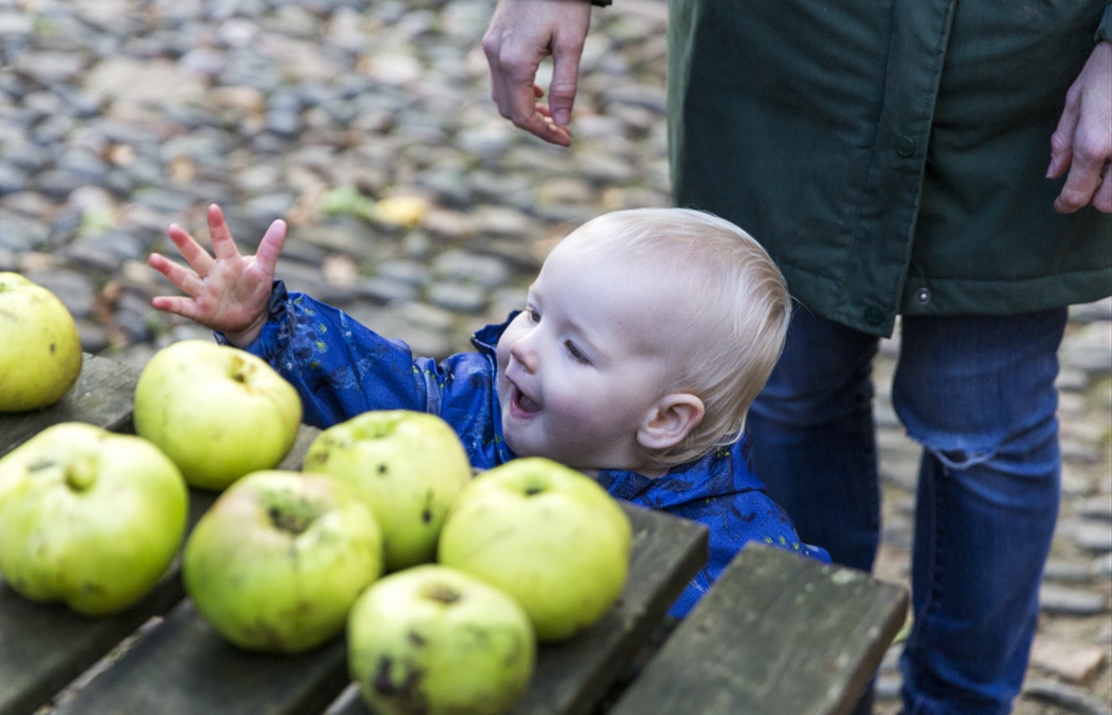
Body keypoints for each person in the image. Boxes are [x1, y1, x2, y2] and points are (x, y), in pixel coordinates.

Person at [480, 1, 1112, 714]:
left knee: (981, 418)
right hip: (786, 64)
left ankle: (963, 705)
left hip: (1019, 80)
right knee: (786, 391)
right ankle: (813, 683)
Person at [148, 203, 830, 617]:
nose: (522, 348)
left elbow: (763, 639)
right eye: (534, 311)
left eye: (575, 349)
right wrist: (267, 324)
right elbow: (370, 378)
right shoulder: (469, 406)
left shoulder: (731, 544)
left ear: (664, 420)